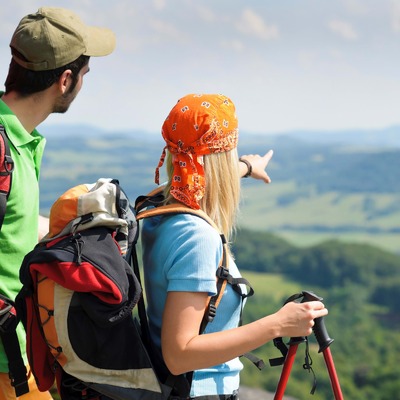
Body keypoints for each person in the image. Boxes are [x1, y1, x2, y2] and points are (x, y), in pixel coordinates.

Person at [141, 93, 328, 399]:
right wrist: (279, 324)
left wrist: (244, 166)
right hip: (198, 391)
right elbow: (179, 355)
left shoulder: (158, 207)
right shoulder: (196, 238)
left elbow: (198, 176)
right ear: (218, 161)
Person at [0, 7, 115, 400]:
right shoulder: (2, 149)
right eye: (84, 75)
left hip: (16, 353)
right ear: (65, 80)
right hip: (6, 362)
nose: (83, 83)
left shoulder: (19, 142)